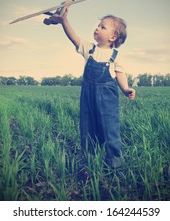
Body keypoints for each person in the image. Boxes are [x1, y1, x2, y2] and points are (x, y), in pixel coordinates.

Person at [50, 9, 135, 168]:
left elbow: (120, 73)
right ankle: (91, 160)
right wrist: (64, 21)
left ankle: (114, 162)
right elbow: (73, 37)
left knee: (110, 127)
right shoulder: (90, 49)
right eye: (98, 25)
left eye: (102, 27)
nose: (97, 28)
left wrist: (125, 89)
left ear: (113, 37)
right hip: (88, 96)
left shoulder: (115, 55)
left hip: (107, 98)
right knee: (88, 126)